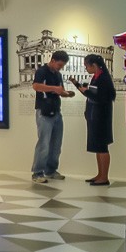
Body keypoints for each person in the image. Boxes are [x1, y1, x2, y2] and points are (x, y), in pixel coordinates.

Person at [70, 54, 117, 186]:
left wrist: (86, 90)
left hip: (101, 118)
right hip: (94, 117)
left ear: (94, 66)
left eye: (86, 66)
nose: (86, 68)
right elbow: (91, 94)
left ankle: (104, 176)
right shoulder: (97, 78)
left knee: (102, 147)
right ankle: (100, 174)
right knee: (98, 147)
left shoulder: (103, 79)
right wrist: (77, 84)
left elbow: (100, 98)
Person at [31, 50, 76, 183]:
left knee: (56, 143)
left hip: (56, 111)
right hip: (44, 112)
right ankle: (37, 173)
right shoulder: (42, 71)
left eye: (62, 66)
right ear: (53, 60)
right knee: (44, 143)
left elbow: (59, 91)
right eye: (59, 65)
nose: (60, 68)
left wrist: (66, 94)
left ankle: (50, 170)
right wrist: (54, 89)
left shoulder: (58, 74)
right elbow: (36, 86)